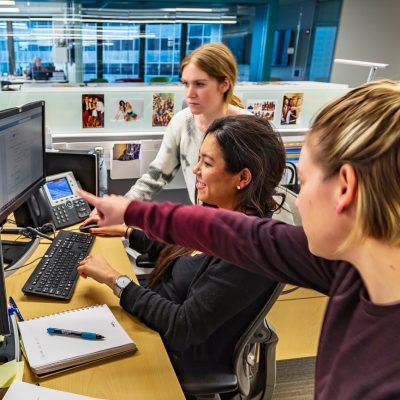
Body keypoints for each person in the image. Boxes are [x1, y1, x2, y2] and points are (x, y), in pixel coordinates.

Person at [78, 80, 400, 398]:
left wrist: (118, 277)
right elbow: (222, 232)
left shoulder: (384, 374)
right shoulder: (349, 268)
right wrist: (131, 219)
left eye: (303, 181)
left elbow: (188, 316)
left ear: (345, 188)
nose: (297, 201)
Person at [77, 115, 286, 377]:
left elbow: (182, 326)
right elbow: (179, 253)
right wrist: (128, 232)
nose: (196, 169)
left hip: (171, 355)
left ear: (242, 177)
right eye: (198, 158)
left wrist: (113, 279)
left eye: (207, 163)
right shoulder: (219, 217)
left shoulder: (247, 252)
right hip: (149, 323)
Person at [88, 43, 250, 213]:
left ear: (224, 84)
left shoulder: (250, 128)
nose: (189, 93)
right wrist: (116, 208)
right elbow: (154, 177)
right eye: (186, 84)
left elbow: (268, 193)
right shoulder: (182, 122)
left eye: (200, 84)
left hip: (248, 229)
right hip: (205, 225)